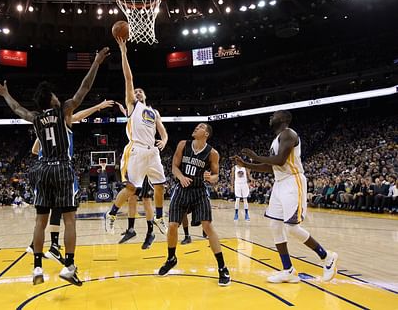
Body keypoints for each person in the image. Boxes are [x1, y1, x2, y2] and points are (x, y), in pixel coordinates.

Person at [0, 47, 110, 285]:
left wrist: (6, 94)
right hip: (61, 167)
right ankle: (69, 265)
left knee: (40, 221)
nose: (57, 96)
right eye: (54, 95)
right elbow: (84, 88)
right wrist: (96, 62)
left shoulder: (35, 118)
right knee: (69, 220)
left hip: (42, 169)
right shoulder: (64, 110)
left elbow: (16, 109)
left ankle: (37, 268)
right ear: (52, 99)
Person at [233, 110, 338, 283]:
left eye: (274, 115)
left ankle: (327, 257)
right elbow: (271, 167)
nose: (270, 117)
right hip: (279, 183)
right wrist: (246, 164)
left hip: (292, 181)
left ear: (283, 119)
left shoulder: (289, 134)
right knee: (275, 225)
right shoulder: (277, 139)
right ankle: (288, 269)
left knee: (291, 227)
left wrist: (255, 156)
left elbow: (280, 160)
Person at [26, 99, 116, 265]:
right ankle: (54, 246)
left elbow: (33, 150)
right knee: (64, 210)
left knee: (48, 212)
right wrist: (97, 107)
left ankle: (39, 246)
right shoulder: (61, 122)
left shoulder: (42, 125)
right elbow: (78, 114)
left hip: (42, 171)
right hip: (59, 168)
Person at [105, 38, 168, 237]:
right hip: (136, 150)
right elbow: (128, 79)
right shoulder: (133, 106)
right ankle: (112, 214)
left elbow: (163, 131)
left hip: (153, 151)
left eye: (141, 92)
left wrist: (164, 140)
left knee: (160, 186)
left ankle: (159, 217)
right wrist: (123, 53)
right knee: (131, 189)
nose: (138, 93)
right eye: (136, 91)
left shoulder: (154, 112)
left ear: (145, 95)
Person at [158, 123, 231, 287]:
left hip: (199, 191)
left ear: (206, 133)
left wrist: (210, 178)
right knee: (172, 225)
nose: (196, 128)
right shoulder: (183, 144)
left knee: (207, 226)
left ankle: (222, 267)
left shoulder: (212, 153)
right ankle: (171, 258)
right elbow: (174, 167)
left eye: (200, 127)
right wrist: (181, 177)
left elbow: (216, 176)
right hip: (182, 189)